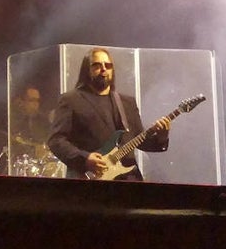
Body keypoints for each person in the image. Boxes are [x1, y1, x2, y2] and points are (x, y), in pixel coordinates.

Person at [47, 48, 170, 181]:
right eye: (97, 65)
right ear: (86, 70)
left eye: (108, 66)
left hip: (129, 180)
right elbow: (56, 140)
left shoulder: (127, 103)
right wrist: (85, 158)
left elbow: (139, 140)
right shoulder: (71, 100)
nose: (103, 69)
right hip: (91, 180)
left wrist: (162, 137)